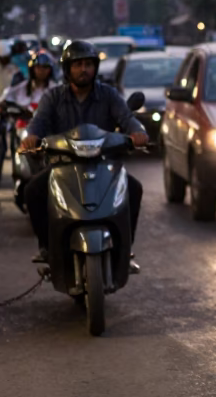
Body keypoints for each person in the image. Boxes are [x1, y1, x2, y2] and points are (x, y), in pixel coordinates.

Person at [21, 40, 149, 262]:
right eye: (78, 64)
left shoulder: (109, 95)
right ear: (67, 69)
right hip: (62, 166)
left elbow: (127, 119)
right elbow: (38, 122)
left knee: (134, 189)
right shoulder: (53, 97)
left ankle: (124, 247)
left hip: (104, 166)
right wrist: (31, 137)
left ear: (95, 68)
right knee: (32, 191)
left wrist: (138, 133)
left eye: (88, 64)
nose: (83, 69)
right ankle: (47, 247)